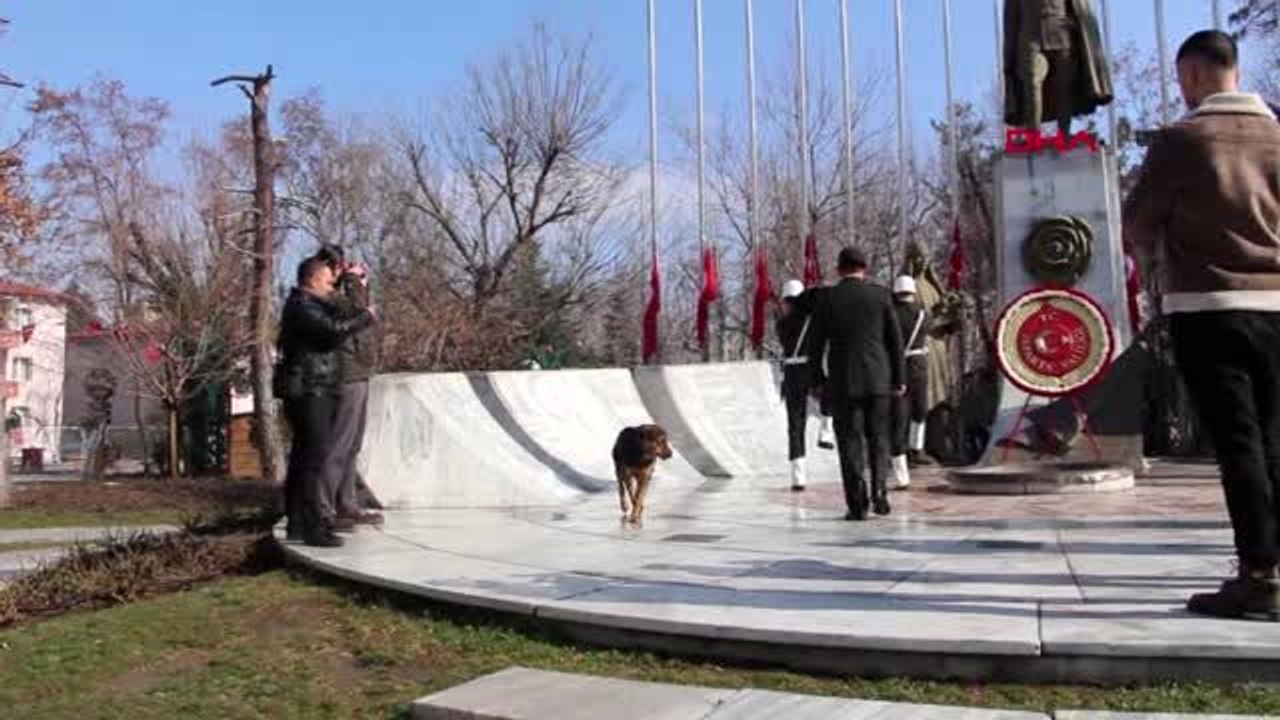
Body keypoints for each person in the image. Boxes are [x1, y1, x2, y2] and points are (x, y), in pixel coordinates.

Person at [1124, 30, 1280, 620]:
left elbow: (1138, 221)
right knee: (1274, 437)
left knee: (1238, 441)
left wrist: (1158, 253)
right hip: (1278, 304)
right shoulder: (1277, 132)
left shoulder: (1180, 140)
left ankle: (1259, 573)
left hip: (1209, 305)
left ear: (1190, 75)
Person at [278, 256, 377, 547]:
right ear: (311, 279)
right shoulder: (302, 306)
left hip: (316, 387)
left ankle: (299, 522)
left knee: (304, 459)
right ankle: (314, 524)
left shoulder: (308, 305)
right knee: (313, 459)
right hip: (311, 388)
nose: (331, 285)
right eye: (327, 279)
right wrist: (363, 308)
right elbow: (334, 329)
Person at [808, 248, 905, 520]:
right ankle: (880, 493)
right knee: (879, 437)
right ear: (865, 268)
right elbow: (895, 342)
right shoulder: (881, 296)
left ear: (839, 269)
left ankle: (857, 502)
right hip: (878, 379)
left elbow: (814, 344)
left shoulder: (828, 299)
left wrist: (817, 380)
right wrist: (899, 379)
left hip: (843, 381)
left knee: (850, 440)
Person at [315, 245, 385, 531]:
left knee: (352, 445)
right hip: (345, 374)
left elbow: (365, 316)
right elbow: (358, 313)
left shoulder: (337, 293)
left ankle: (347, 504)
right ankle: (323, 509)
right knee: (339, 444)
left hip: (359, 371)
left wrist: (359, 284)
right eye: (340, 266)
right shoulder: (325, 295)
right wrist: (355, 282)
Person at [890, 276, 930, 489]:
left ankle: (901, 473)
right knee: (920, 409)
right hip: (918, 366)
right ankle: (917, 447)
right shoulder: (923, 315)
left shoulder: (890, 314)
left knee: (898, 417)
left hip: (895, 370)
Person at [777, 280, 815, 491]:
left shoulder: (781, 323)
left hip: (792, 373)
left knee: (795, 424)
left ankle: (798, 476)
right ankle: (826, 431)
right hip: (810, 369)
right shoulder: (811, 320)